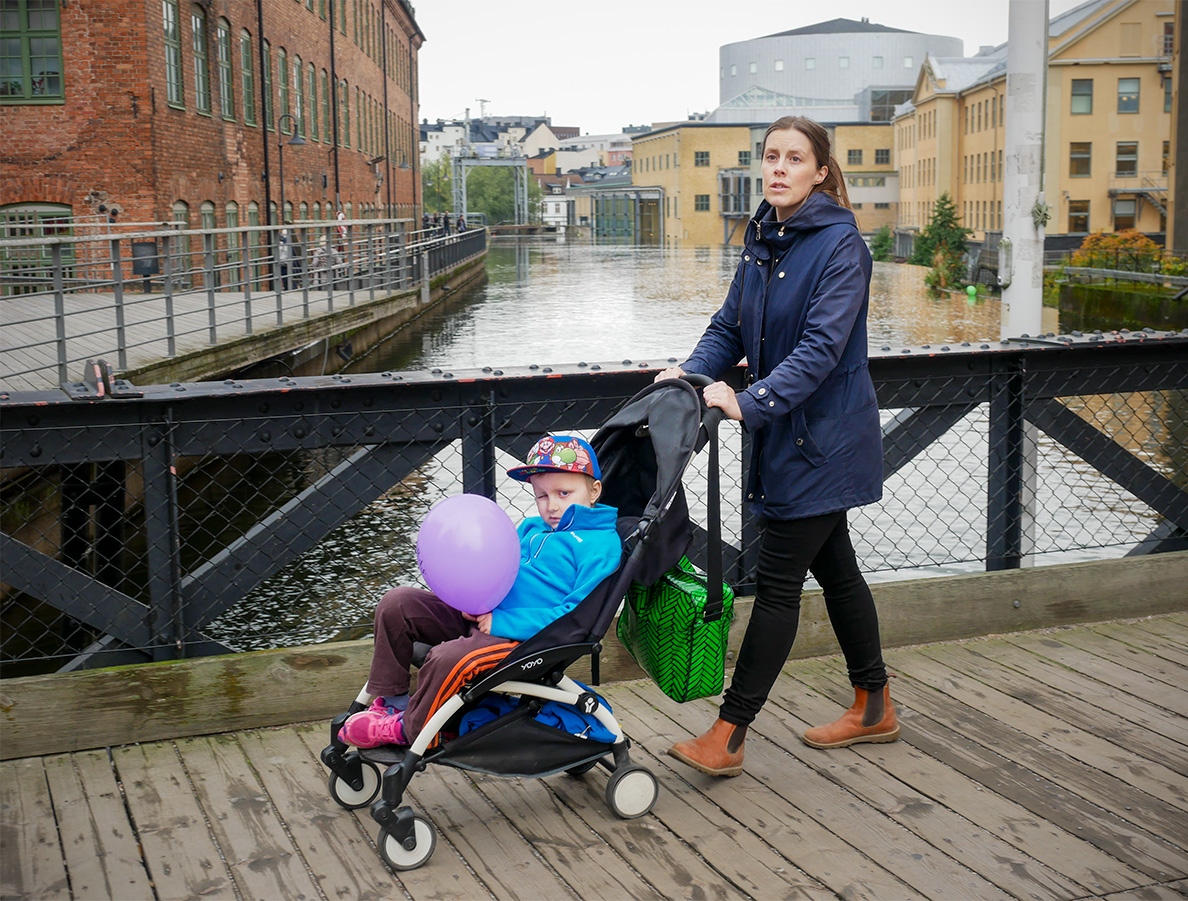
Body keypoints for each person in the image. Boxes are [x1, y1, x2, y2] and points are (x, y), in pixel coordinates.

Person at [656, 115, 896, 777]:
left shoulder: (841, 247)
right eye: (771, 157)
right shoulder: (764, 237)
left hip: (824, 441)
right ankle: (874, 703)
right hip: (787, 439)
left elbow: (821, 350)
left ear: (821, 170)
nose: (779, 168)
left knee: (779, 584)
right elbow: (729, 324)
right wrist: (693, 372)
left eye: (795, 158)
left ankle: (728, 734)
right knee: (838, 570)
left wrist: (748, 400)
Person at [339, 435, 622, 748]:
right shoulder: (531, 528)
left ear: (594, 490)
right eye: (542, 496)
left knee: (449, 657)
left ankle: (408, 729)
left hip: (524, 640)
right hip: (485, 615)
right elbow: (496, 569)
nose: (552, 505)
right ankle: (392, 700)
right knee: (398, 604)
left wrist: (501, 623)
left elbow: (574, 617)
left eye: (564, 493)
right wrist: (471, 598)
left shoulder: (600, 546)